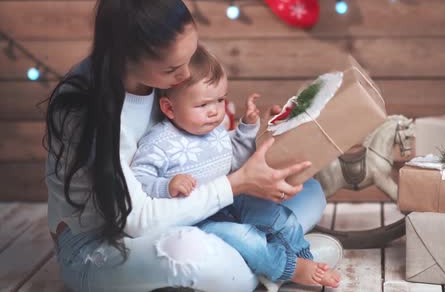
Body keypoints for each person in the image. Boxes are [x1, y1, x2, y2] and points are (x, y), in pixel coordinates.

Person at [44, 0, 330, 291]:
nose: (186, 76)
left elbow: (205, 148)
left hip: (195, 212)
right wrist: (236, 185)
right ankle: (270, 259)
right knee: (193, 254)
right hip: (102, 243)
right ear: (127, 57)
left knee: (309, 192)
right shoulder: (90, 109)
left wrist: (263, 134)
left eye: (190, 57)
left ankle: (260, 258)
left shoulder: (156, 79)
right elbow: (135, 223)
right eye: (172, 69)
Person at [130, 45, 340, 287]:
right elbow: (139, 179)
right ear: (169, 108)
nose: (214, 112)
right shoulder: (159, 141)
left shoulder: (213, 132)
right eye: (203, 105)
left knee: (280, 217)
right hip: (195, 218)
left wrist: (247, 127)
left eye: (220, 100)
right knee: (245, 238)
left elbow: (235, 159)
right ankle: (288, 268)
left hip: (230, 200)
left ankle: (304, 256)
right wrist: (168, 185)